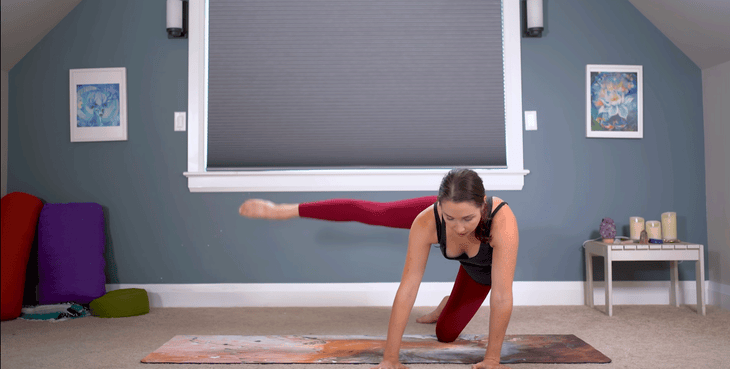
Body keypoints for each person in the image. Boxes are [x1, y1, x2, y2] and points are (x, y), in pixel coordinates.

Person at [239, 168, 519, 369]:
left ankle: (446, 305)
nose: (458, 228)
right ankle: (284, 209)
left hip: (479, 274)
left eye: (467, 219)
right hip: (438, 219)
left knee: (446, 335)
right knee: (376, 212)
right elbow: (408, 287)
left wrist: (492, 360)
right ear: (439, 206)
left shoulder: (500, 221)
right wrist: (390, 357)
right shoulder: (428, 220)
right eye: (450, 218)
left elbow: (502, 295)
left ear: (482, 206)